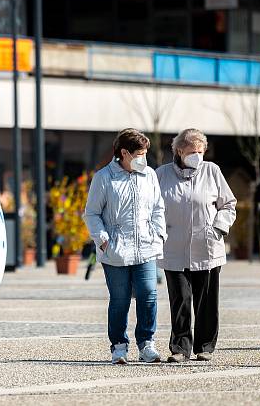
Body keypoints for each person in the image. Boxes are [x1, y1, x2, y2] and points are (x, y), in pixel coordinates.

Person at [83, 128, 166, 364]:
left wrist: (159, 234)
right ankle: (119, 346)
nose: (144, 158)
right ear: (124, 153)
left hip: (147, 247)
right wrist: (102, 239)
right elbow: (92, 213)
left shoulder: (149, 175)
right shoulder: (104, 177)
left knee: (149, 294)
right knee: (119, 300)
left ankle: (146, 344)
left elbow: (158, 208)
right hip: (116, 251)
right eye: (139, 153)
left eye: (145, 153)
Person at [157, 128, 236, 363]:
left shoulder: (212, 172)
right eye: (193, 151)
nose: (198, 156)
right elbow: (153, 207)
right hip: (174, 248)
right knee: (180, 298)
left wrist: (218, 229)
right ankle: (180, 348)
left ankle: (205, 346)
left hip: (208, 247)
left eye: (201, 151)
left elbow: (228, 204)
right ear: (180, 150)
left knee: (207, 300)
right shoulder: (161, 174)